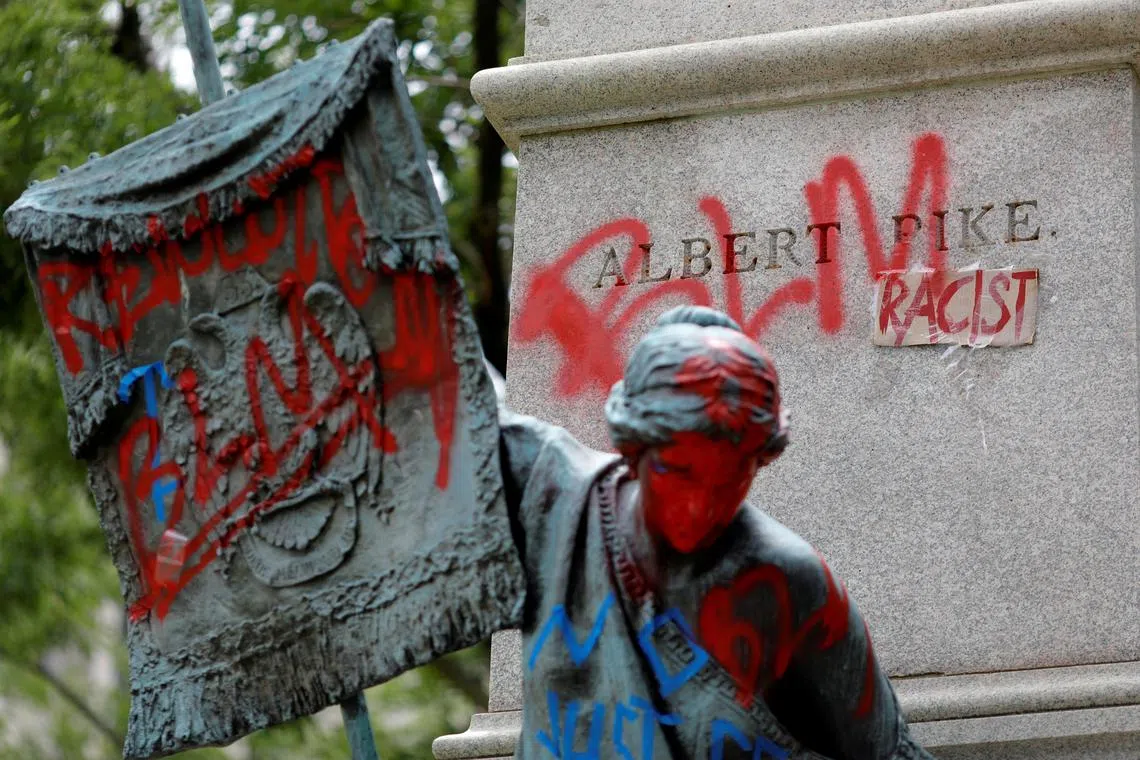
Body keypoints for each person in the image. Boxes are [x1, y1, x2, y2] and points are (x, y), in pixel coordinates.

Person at [496, 305, 934, 760]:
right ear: (633, 448)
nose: (700, 507)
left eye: (730, 480)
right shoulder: (558, 506)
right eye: (678, 472)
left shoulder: (787, 581)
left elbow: (886, 753)